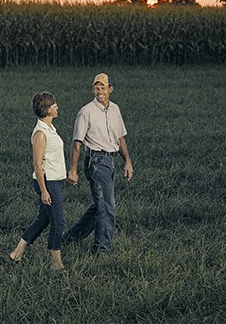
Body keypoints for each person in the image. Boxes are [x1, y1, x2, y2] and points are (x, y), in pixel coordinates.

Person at [63, 73, 133, 254]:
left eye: (103, 87)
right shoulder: (86, 112)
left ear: (110, 89)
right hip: (95, 162)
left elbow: (120, 137)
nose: (99, 91)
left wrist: (127, 161)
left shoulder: (115, 109)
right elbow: (76, 143)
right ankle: (101, 250)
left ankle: (69, 237)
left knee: (100, 205)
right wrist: (73, 170)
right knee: (107, 207)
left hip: (111, 160)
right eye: (96, 88)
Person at [9, 92, 67, 270]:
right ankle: (56, 264)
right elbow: (37, 163)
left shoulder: (49, 128)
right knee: (58, 222)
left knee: (43, 220)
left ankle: (17, 253)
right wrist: (44, 191)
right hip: (47, 182)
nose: (57, 106)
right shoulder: (40, 133)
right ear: (47, 109)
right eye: (54, 104)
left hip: (52, 180)